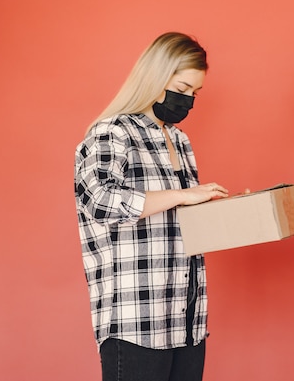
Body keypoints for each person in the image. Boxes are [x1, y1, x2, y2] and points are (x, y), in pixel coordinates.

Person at [74, 32, 228, 381]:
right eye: (183, 88)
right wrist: (183, 195)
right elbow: (99, 201)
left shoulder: (178, 139)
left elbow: (178, 222)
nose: (188, 100)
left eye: (195, 93)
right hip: (137, 321)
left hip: (187, 319)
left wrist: (225, 213)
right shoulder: (111, 132)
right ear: (156, 78)